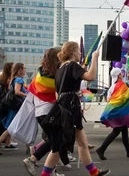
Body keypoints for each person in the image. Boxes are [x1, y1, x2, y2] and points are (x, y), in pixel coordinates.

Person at [40, 41, 110, 176]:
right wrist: (95, 58)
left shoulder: (60, 69)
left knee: (74, 144)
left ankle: (94, 172)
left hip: (62, 107)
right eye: (78, 51)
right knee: (70, 145)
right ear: (73, 53)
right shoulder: (73, 65)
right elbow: (91, 77)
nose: (80, 53)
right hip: (71, 108)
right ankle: (94, 173)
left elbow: (57, 94)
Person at [23, 48, 72, 176]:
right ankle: (32, 160)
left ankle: (52, 171)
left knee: (53, 143)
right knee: (55, 144)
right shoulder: (57, 74)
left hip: (39, 113)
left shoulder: (40, 74)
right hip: (50, 113)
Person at [96, 68, 129, 160]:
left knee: (124, 131)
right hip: (120, 113)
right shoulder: (121, 86)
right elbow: (126, 97)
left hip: (116, 112)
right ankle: (101, 149)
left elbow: (109, 100)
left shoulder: (112, 87)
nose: (122, 75)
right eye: (121, 74)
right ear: (118, 75)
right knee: (116, 132)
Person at [0, 62, 28, 150]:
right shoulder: (19, 80)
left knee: (10, 126)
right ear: (20, 70)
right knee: (11, 127)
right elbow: (17, 92)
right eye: (23, 68)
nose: (25, 70)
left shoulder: (13, 79)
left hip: (13, 105)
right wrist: (28, 95)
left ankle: (8, 143)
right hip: (16, 106)